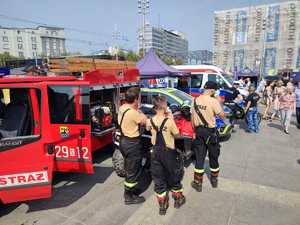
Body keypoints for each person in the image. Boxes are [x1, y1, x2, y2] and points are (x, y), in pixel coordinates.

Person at [146, 96, 185, 215]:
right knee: (174, 175)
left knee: (158, 178)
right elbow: (177, 135)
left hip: (155, 153)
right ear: (164, 106)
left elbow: (148, 129)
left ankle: (162, 204)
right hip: (169, 152)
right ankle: (178, 199)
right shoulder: (169, 121)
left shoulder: (150, 120)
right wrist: (170, 117)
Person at [191, 81, 225, 192]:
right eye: (215, 90)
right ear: (212, 90)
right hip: (210, 133)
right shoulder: (213, 101)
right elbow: (222, 116)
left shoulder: (195, 100)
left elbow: (192, 117)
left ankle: (198, 183)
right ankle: (214, 180)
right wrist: (219, 103)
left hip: (198, 131)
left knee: (199, 157)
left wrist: (194, 131)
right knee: (213, 156)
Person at [118, 87, 147, 205]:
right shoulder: (134, 113)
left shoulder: (122, 108)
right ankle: (129, 196)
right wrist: (140, 110)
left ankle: (132, 190)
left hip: (124, 141)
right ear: (136, 99)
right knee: (133, 171)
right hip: (132, 143)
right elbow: (146, 122)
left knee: (130, 167)